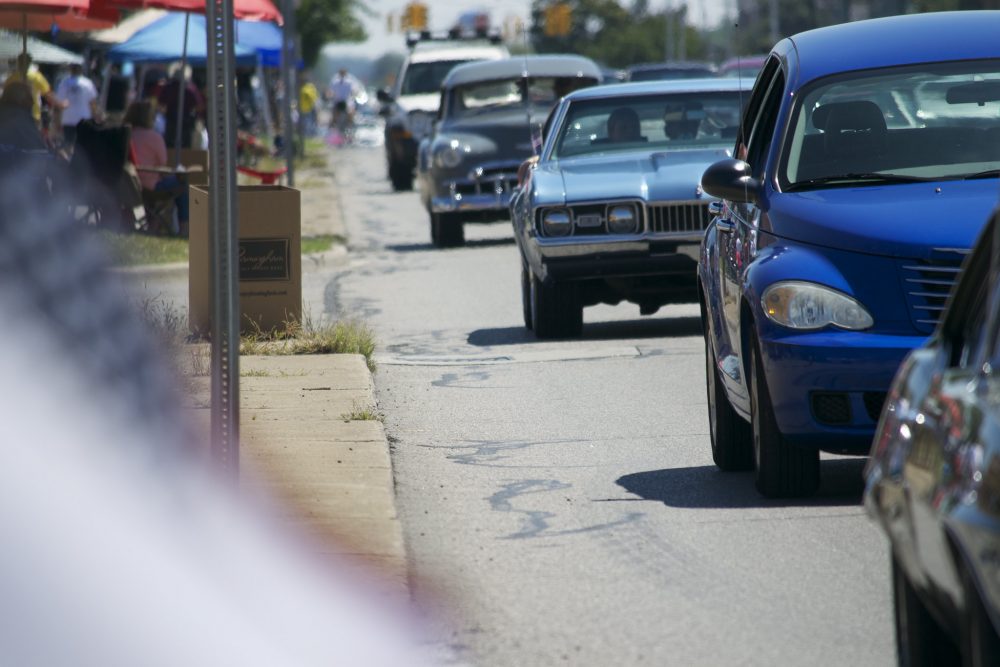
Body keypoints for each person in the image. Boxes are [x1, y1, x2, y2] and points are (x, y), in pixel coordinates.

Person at [125, 100, 188, 235]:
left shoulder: (125, 134)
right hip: (150, 187)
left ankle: (153, 224)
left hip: (127, 185)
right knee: (183, 184)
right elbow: (162, 163)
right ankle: (184, 227)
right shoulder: (154, 137)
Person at [4, 53, 61, 130]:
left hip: (17, 114)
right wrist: (59, 104)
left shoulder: (12, 78)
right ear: (29, 62)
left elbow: (5, 96)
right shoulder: (36, 76)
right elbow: (48, 94)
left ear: (18, 62)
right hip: (33, 114)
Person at [155, 67, 205, 149]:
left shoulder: (168, 88)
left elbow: (160, 105)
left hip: (171, 121)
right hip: (186, 123)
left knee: (170, 146)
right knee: (185, 148)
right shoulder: (190, 88)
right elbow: (199, 106)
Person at [55, 63, 99, 149]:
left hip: (68, 119)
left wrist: (57, 121)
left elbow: (59, 103)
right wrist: (95, 116)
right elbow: (93, 102)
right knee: (82, 146)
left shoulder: (64, 83)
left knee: (68, 144)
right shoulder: (87, 83)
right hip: (83, 119)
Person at [327, 68, 359, 133]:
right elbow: (330, 92)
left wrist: (354, 95)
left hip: (346, 103)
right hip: (338, 102)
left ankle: (350, 126)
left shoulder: (349, 82)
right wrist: (330, 96)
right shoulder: (335, 82)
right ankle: (332, 128)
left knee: (351, 113)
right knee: (333, 115)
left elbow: (354, 91)